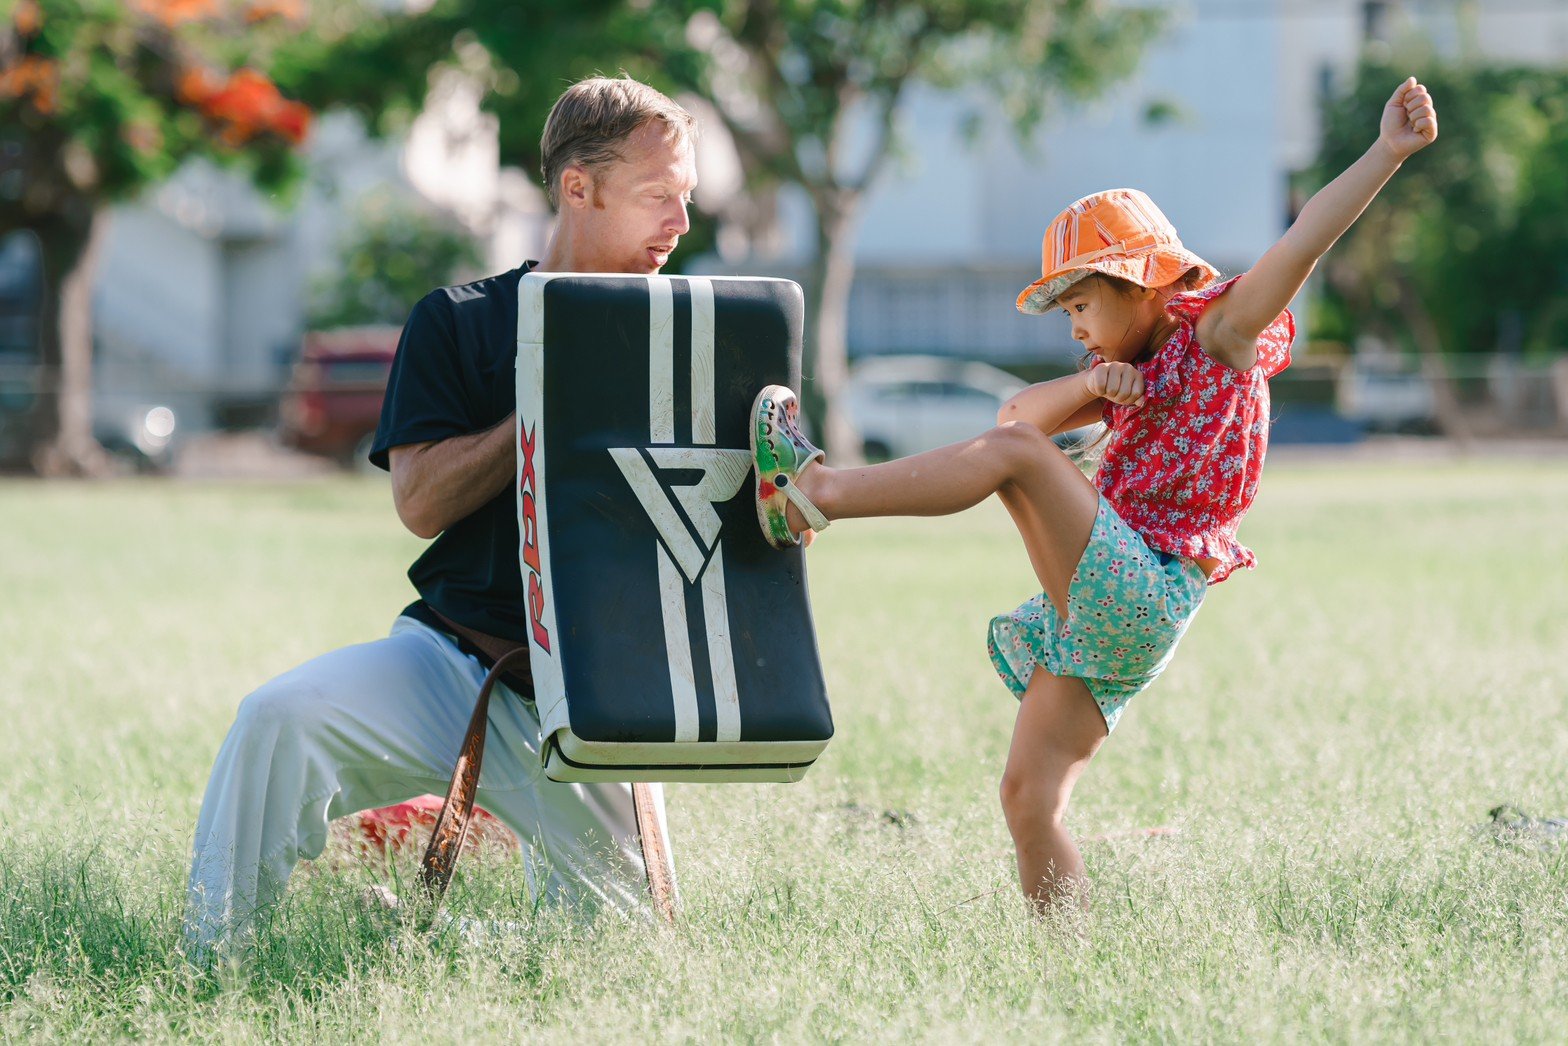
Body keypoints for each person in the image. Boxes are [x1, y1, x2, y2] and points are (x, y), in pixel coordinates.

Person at [750, 78, 1438, 911]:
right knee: (1029, 801)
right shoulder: (1120, 372)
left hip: (1143, 586)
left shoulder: (1215, 336)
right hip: (1112, 614)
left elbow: (1301, 245)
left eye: (1082, 304)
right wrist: (1101, 385)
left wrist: (1386, 153)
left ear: (1144, 285)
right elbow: (1019, 416)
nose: (1073, 327)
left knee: (1014, 460)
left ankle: (815, 492)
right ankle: (1068, 968)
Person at [184, 76, 701, 957]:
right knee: (277, 717)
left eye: (686, 200)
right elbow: (418, 503)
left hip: (598, 694)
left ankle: (424, 939)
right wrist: (539, 408)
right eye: (659, 197)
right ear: (579, 188)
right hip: (451, 660)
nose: (681, 225)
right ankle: (211, 960)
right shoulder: (458, 321)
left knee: (630, 952)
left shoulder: (695, 333)